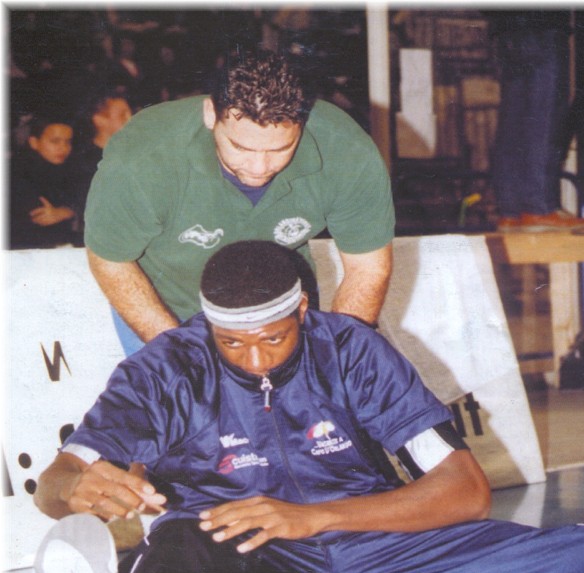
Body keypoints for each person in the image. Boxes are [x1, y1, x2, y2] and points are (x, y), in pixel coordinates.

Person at [33, 241, 584, 573]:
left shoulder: (350, 349)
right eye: (231, 343)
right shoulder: (166, 367)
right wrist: (73, 490)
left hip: (369, 536)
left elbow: (464, 491)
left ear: (302, 311)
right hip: (237, 544)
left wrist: (313, 518)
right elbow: (54, 483)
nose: (255, 360)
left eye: (273, 338)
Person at [82, 49, 394, 356]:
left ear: (302, 121)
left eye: (279, 149)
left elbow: (367, 269)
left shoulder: (346, 152)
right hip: (167, 303)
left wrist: (336, 357)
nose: (259, 168)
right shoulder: (143, 158)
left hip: (280, 311)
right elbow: (111, 260)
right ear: (210, 114)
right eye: (241, 147)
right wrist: (178, 355)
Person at [487, 11, 584, 232]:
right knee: (545, 117)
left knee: (513, 118)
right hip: (543, 25)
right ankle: (538, 208)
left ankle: (510, 211)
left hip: (505, 29)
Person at [10, 114, 81, 249]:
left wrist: (66, 212)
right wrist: (68, 212)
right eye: (55, 141)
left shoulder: (68, 169)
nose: (63, 148)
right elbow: (40, 217)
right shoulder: (17, 173)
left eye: (68, 142)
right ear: (34, 142)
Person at [71, 92, 133, 241]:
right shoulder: (83, 162)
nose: (131, 119)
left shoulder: (136, 154)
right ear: (100, 121)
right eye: (122, 115)